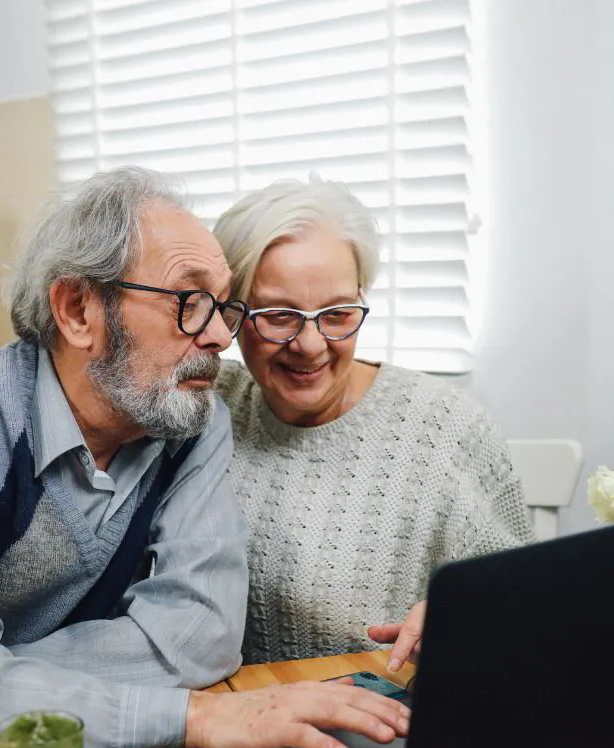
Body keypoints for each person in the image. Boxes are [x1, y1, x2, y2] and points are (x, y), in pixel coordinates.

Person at [0, 167, 409, 748]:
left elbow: (203, 636)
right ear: (78, 310)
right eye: (189, 301)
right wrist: (192, 714)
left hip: (71, 743)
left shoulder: (191, 423)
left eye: (223, 306)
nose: (220, 338)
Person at [214, 175, 535, 672]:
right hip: (238, 713)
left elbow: (523, 602)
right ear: (232, 315)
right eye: (279, 316)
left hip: (391, 722)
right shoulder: (211, 407)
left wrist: (470, 615)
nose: (311, 344)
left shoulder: (445, 426)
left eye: (338, 313)